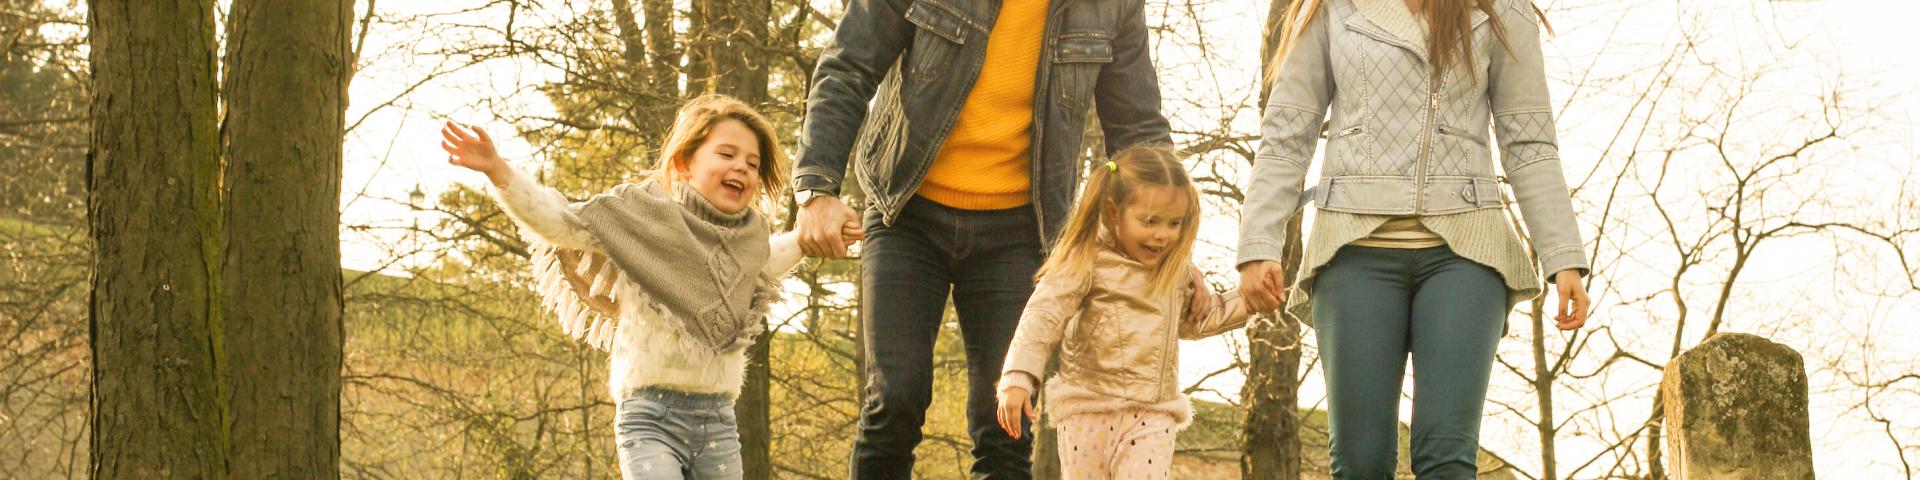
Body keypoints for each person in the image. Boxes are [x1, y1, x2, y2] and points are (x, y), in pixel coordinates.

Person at [789, 0, 1179, 477]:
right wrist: (817, 188)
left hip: (1020, 231)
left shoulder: (1112, 7)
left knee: (1006, 424)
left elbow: (1138, 126)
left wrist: (1172, 246)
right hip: (906, 211)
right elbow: (848, 66)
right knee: (894, 399)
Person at [1235, 0, 1593, 477]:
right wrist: (1259, 243)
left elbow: (1529, 143)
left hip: (1466, 251)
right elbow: (1286, 135)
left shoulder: (1503, 11)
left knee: (1447, 456)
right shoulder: (1329, 9)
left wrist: (1562, 255)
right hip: (1353, 250)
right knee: (1360, 460)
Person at [440, 95, 850, 479]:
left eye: (752, 163)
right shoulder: (641, 217)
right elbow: (559, 222)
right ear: (685, 163)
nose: (742, 167)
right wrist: (498, 170)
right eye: (726, 154)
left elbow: (768, 261)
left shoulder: (750, 238)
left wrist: (807, 237)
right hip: (649, 414)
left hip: (719, 421)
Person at [994, 145, 1251, 479]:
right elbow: (1043, 315)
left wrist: (1250, 301)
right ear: (1114, 213)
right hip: (1087, 410)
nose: (1163, 234)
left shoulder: (1173, 271)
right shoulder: (1085, 259)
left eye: (1174, 223)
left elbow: (1196, 321)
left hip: (1152, 413)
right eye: (1150, 221)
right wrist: (1018, 376)